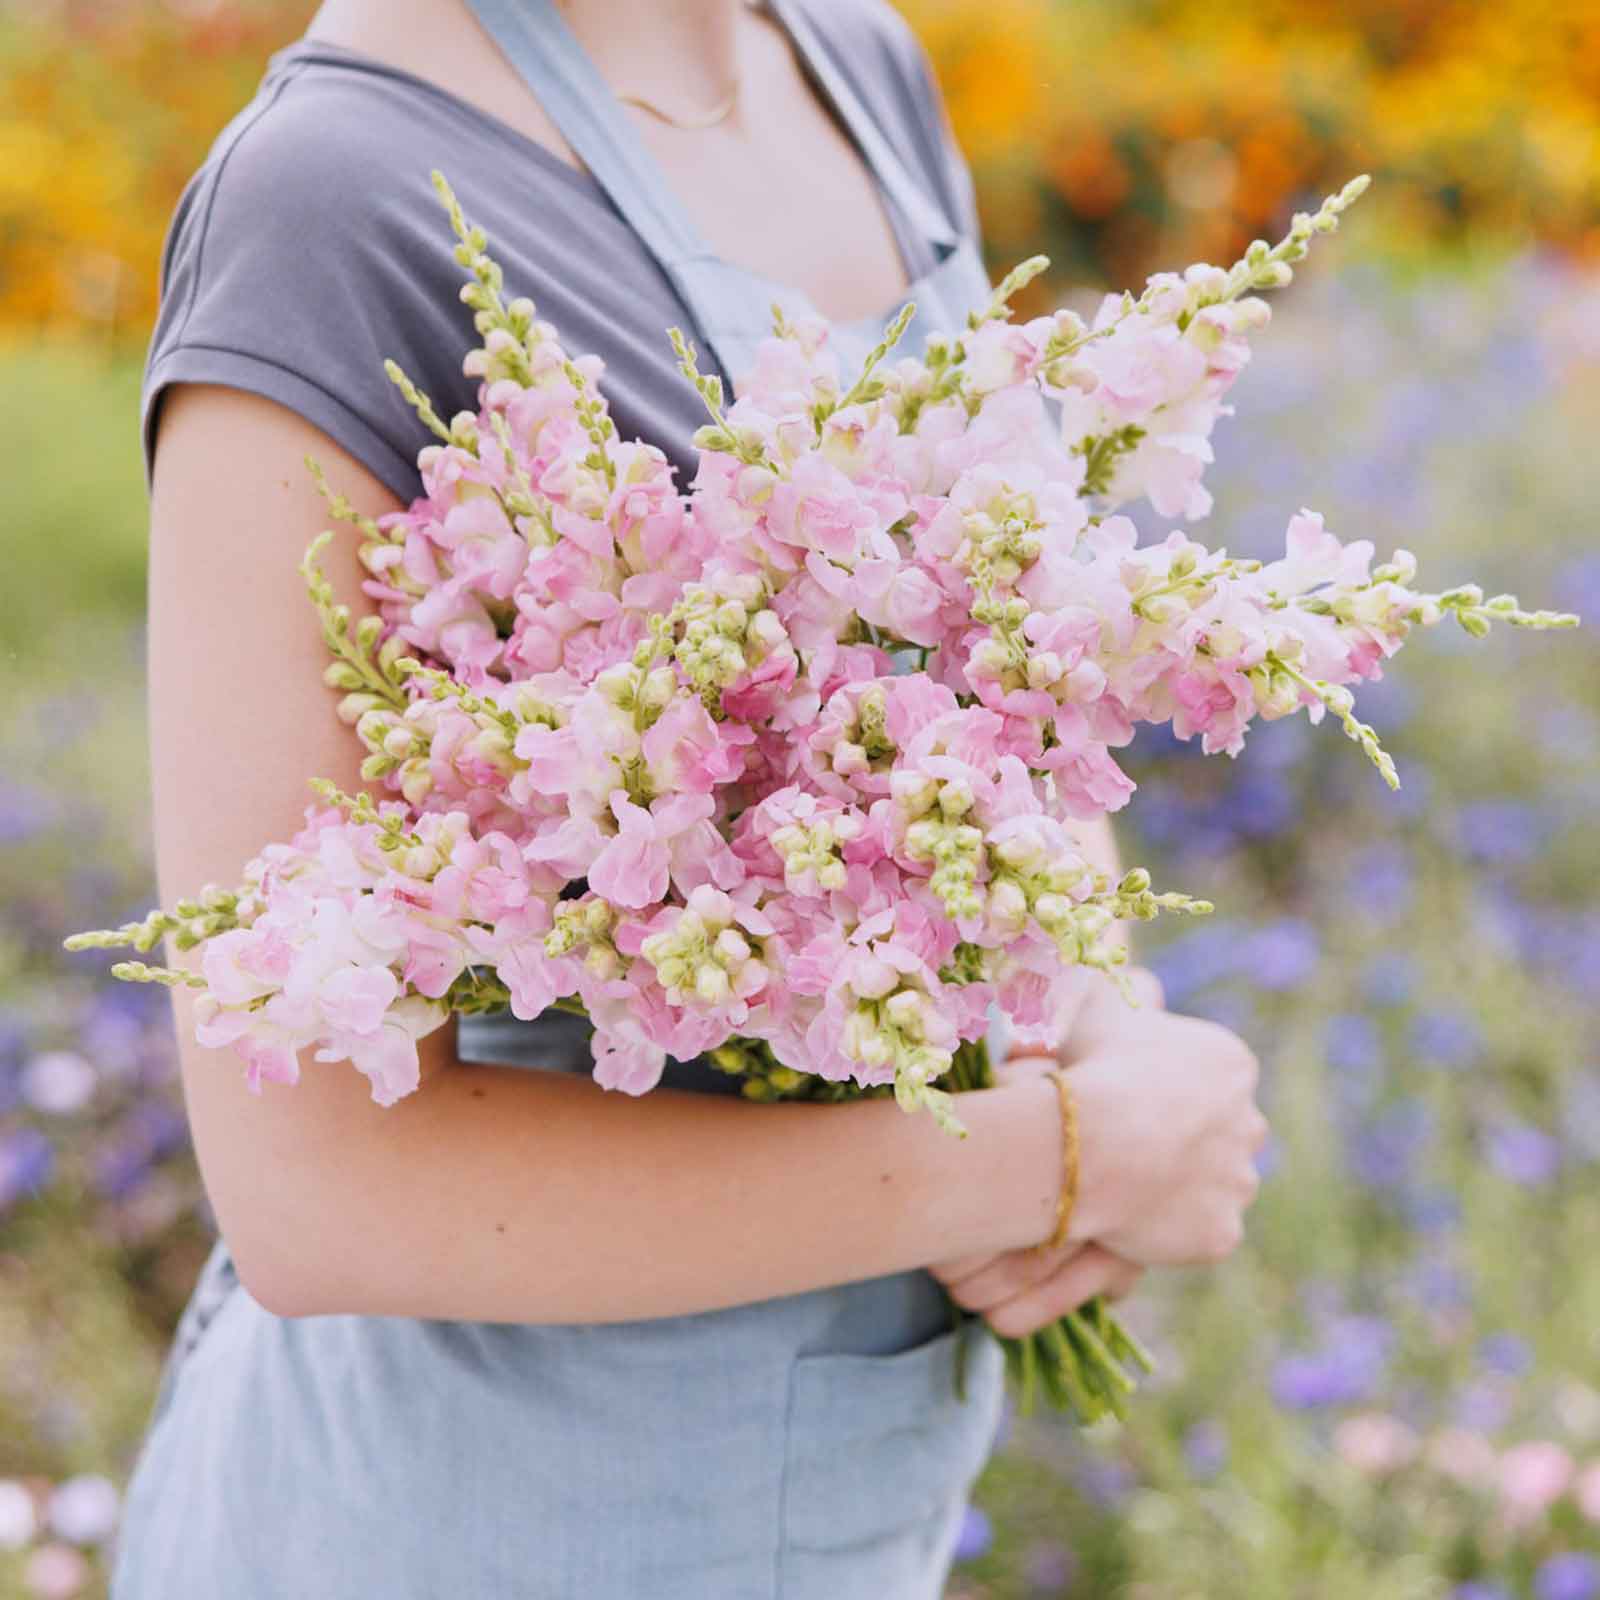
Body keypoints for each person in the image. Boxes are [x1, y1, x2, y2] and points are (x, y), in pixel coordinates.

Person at [109, 0, 1269, 1594]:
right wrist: (1052, 1162)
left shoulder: (854, 65)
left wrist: (1101, 1020)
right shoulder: (327, 203)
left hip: (839, 1496)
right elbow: (319, 1193)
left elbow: (998, 665)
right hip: (475, 1516)